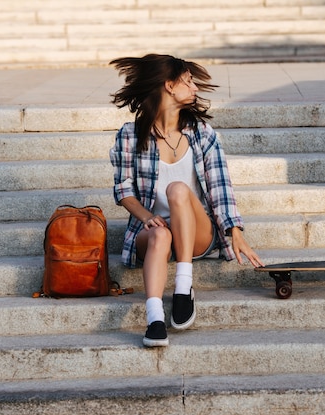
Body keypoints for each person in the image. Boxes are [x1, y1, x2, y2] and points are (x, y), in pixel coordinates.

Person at [109, 54, 264, 348]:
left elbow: (220, 187)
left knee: (178, 189)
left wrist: (235, 231)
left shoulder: (202, 135)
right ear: (169, 85)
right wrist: (145, 217)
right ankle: (154, 319)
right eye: (188, 81)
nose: (194, 88)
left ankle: (183, 287)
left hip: (197, 233)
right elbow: (123, 190)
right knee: (159, 233)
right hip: (154, 231)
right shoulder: (130, 136)